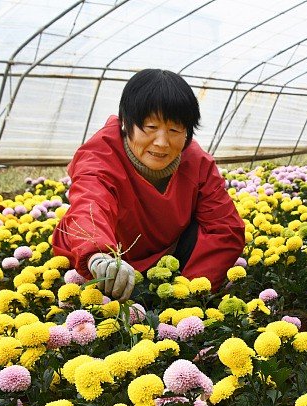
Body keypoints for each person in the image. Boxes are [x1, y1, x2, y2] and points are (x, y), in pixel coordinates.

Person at [54, 69, 246, 301]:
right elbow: (91, 204)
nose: (162, 142)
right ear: (126, 123)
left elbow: (224, 228)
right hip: (99, 260)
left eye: (175, 130)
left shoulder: (197, 163)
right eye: (151, 127)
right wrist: (98, 256)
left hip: (166, 255)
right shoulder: (101, 155)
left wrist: (188, 292)